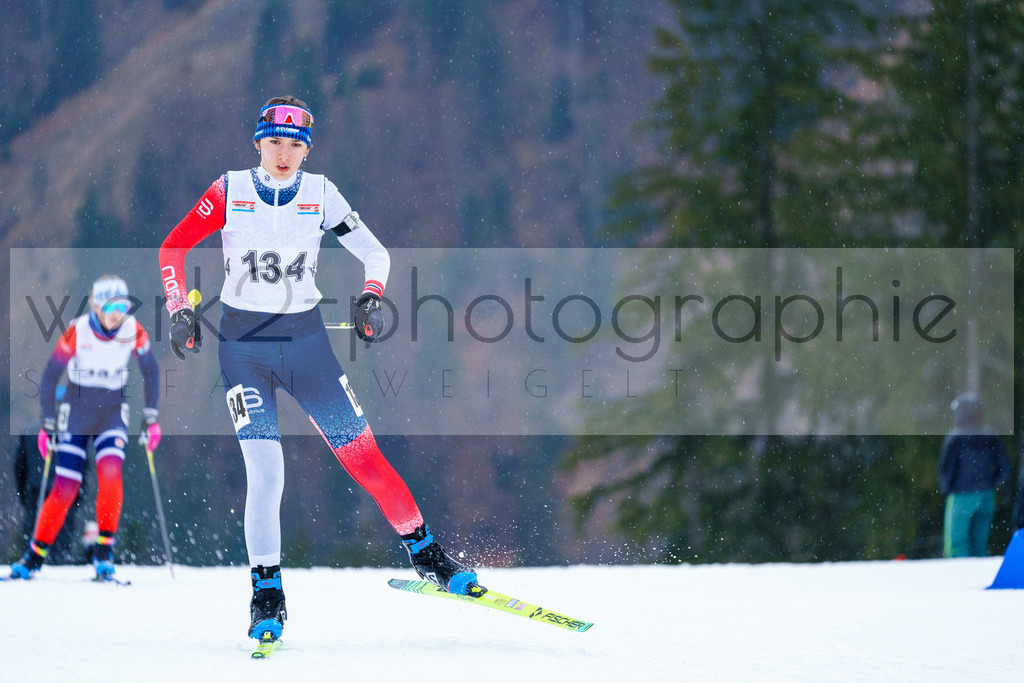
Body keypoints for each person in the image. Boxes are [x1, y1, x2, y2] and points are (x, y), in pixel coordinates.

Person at [158, 95, 479, 644]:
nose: (284, 154)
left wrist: (371, 297)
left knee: (364, 458)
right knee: (267, 474)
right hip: (243, 350)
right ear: (258, 143)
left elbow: (376, 254)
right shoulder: (228, 190)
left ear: (307, 151)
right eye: (275, 143)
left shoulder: (321, 193)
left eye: (296, 145)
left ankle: (426, 553)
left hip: (307, 346)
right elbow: (173, 249)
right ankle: (267, 593)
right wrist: (179, 308)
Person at [9, 276, 162, 580]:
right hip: (77, 411)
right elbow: (51, 376)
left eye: (123, 305)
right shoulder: (78, 329)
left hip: (111, 412)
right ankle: (34, 557)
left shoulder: (133, 330)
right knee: (65, 487)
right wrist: (48, 423)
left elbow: (151, 371)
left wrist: (151, 417)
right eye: (110, 306)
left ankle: (104, 553)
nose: (117, 312)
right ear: (96, 305)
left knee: (110, 473)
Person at [938, 392, 1009, 557]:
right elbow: (1004, 468)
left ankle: (960, 581)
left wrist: (948, 488)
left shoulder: (954, 438)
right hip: (986, 497)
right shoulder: (991, 436)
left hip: (961, 497)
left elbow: (946, 472)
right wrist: (990, 484)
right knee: (979, 545)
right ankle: (978, 580)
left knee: (956, 546)